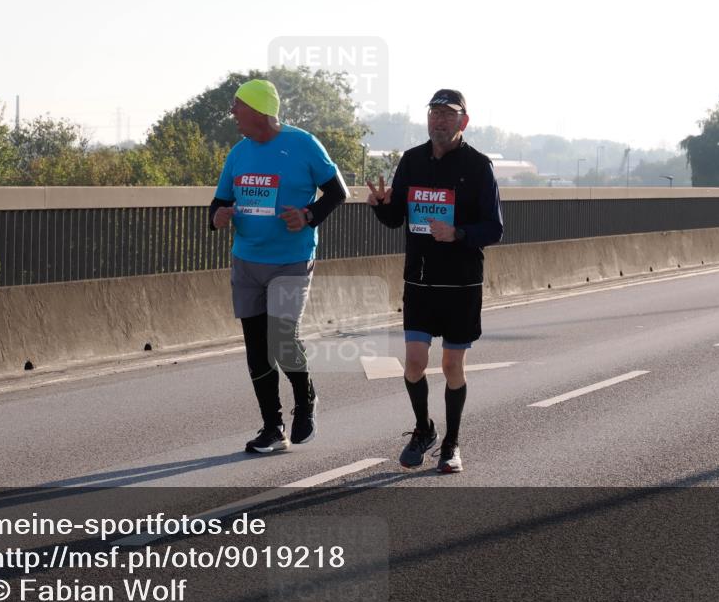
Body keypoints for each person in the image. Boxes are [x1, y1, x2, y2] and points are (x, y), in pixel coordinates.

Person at [367, 89, 503, 473]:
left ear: (464, 121)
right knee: (412, 363)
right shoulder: (412, 161)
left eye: (447, 114)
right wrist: (380, 206)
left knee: (451, 367)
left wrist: (458, 234)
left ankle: (452, 443)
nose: (439, 121)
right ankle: (423, 428)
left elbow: (495, 228)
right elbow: (397, 218)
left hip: (461, 283)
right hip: (420, 280)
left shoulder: (478, 166)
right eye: (434, 113)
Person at [210, 78, 348, 454]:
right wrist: (218, 217)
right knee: (257, 347)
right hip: (246, 261)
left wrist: (307, 215)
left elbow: (338, 192)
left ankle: (305, 402)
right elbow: (218, 203)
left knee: (282, 339)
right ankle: (273, 427)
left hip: (290, 259)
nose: (233, 114)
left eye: (237, 107)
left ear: (257, 109)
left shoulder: (302, 144)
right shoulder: (238, 153)